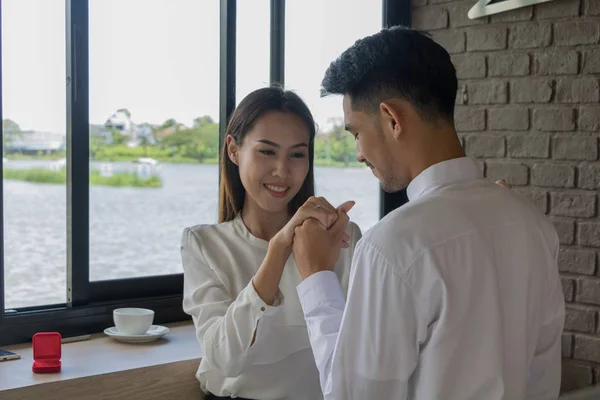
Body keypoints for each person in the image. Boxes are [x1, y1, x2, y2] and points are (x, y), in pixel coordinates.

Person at [291, 26, 565, 400]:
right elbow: (543, 379)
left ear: (391, 118)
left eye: (355, 132)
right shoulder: (533, 224)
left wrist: (317, 278)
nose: (357, 152)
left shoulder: (392, 248)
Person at [180, 86, 361, 400]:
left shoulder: (341, 239)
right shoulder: (204, 245)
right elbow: (223, 358)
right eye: (267, 151)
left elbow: (359, 350)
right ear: (234, 150)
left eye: (296, 154)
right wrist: (278, 250)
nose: (282, 171)